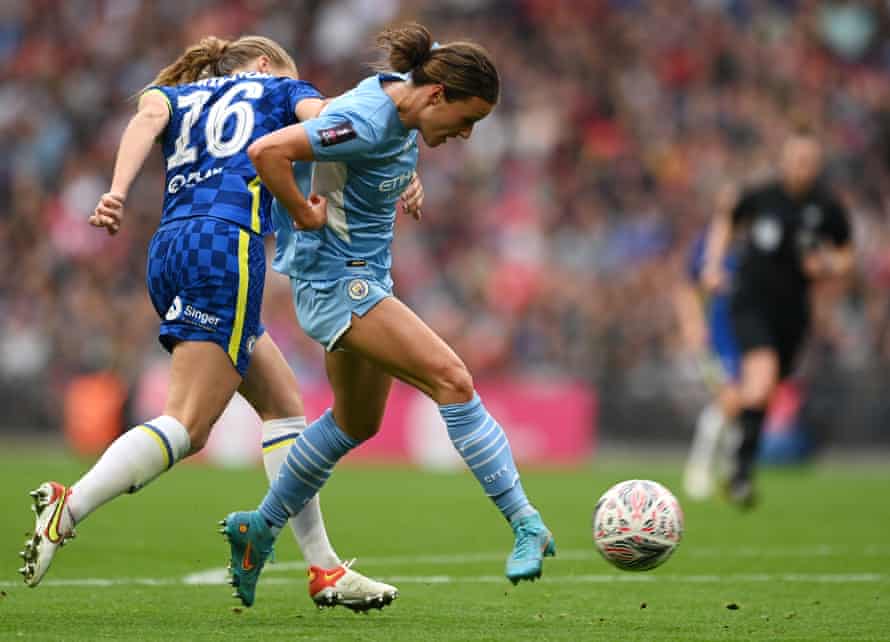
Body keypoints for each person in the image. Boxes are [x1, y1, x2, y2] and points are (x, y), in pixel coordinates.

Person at [19, 35, 424, 611]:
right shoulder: (282, 89)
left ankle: (324, 568)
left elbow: (142, 123)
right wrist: (394, 160)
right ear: (263, 64)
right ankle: (70, 504)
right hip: (225, 246)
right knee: (188, 424)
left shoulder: (177, 95)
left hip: (169, 249)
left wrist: (115, 192)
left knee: (284, 403)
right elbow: (338, 124)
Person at [219, 23, 555, 608]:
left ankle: (260, 527)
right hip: (340, 284)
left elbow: (366, 144)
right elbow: (268, 152)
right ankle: (526, 522)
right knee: (453, 380)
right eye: (467, 120)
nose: (468, 135)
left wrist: (406, 175)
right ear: (437, 96)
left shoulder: (398, 98)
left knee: (355, 423)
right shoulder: (373, 119)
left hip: (360, 278)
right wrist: (301, 212)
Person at [700, 131, 853, 506]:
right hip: (751, 302)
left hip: (793, 315)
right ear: (784, 160)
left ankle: (739, 462)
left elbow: (846, 253)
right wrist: (713, 263)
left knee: (762, 391)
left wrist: (829, 264)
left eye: (809, 161)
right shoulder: (762, 197)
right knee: (761, 375)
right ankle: (739, 473)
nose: (802, 167)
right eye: (796, 159)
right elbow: (726, 218)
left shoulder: (827, 207)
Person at [678, 187, 743, 500]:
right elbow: (686, 286)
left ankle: (731, 470)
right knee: (727, 400)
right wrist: (692, 322)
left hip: (749, 334)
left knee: (737, 405)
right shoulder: (705, 243)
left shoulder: (751, 243)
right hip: (720, 335)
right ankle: (700, 470)